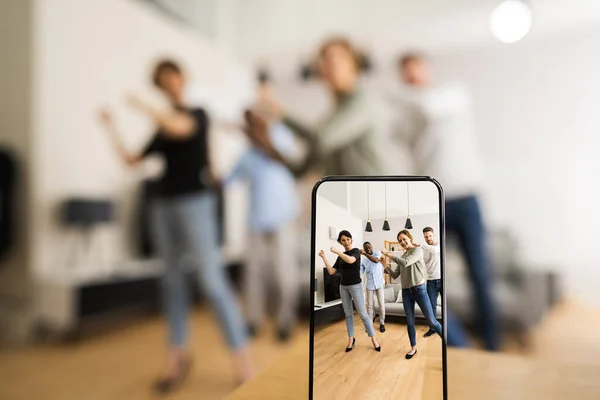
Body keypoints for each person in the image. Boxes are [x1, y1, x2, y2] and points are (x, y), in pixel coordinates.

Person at [99, 59, 253, 393]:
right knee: (172, 282)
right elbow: (131, 160)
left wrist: (141, 106)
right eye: (161, 81)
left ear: (182, 79)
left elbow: (180, 128)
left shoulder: (197, 114)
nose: (168, 84)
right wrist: (111, 126)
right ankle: (176, 357)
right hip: (163, 205)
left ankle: (243, 360)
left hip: (196, 203)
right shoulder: (161, 127)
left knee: (212, 280)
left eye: (172, 78)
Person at [391, 52, 500, 351]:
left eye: (416, 71)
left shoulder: (453, 95)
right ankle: (458, 345)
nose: (412, 78)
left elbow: (429, 107)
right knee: (428, 279)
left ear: (428, 69)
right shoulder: (409, 114)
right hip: (432, 205)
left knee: (480, 273)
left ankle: (492, 345)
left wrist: (396, 94)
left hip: (465, 198)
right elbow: (394, 133)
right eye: (406, 74)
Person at [244, 37, 388, 177]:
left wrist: (281, 113)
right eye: (325, 60)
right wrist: (266, 144)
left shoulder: (362, 102)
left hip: (371, 198)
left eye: (338, 59)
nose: (331, 65)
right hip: (343, 199)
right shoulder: (332, 119)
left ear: (353, 65)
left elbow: (321, 138)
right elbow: (299, 170)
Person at [224, 112, 300, 342]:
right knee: (253, 274)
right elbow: (228, 180)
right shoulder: (247, 155)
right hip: (256, 220)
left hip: (283, 217)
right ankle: (253, 321)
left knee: (284, 272)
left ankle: (285, 320)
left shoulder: (281, 138)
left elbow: (290, 160)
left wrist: (264, 138)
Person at [381, 230, 442, 360]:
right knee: (410, 321)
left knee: (431, 320)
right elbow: (395, 274)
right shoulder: (403, 255)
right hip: (406, 292)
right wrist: (384, 265)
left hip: (419, 289)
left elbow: (406, 262)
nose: (402, 242)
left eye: (404, 239)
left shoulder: (417, 250)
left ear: (409, 238)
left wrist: (388, 254)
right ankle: (413, 348)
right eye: (400, 241)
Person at [319, 230, 381, 353]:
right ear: (340, 242)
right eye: (343, 240)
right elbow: (331, 272)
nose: (346, 241)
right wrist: (324, 257)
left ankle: (373, 338)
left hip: (355, 286)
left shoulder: (356, 251)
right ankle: (351, 339)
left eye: (348, 239)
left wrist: (337, 251)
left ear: (351, 240)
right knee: (348, 314)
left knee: (363, 314)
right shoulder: (340, 257)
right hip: (343, 287)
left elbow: (351, 260)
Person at [414, 227, 441, 338]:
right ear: (424, 237)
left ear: (433, 235)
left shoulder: (439, 245)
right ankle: (432, 328)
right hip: (430, 281)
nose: (428, 238)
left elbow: (434, 250)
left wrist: (420, 245)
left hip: (442, 279)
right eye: (426, 237)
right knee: (431, 307)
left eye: (430, 236)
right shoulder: (422, 249)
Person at [360, 242, 386, 333]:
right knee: (369, 306)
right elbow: (360, 272)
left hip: (379, 283)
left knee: (381, 305)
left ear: (372, 246)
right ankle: (370, 324)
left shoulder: (377, 253)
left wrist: (364, 254)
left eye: (369, 246)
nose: (367, 248)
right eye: (365, 247)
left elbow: (375, 260)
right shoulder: (364, 261)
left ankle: (382, 323)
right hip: (369, 285)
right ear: (364, 248)